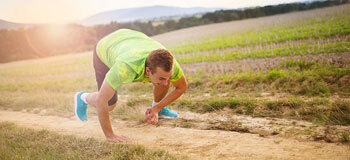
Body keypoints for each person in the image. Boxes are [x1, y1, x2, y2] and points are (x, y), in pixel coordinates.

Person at [74, 29, 188, 143]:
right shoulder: (125, 68)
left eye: (169, 77)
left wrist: (156, 108)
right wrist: (110, 135)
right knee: (109, 105)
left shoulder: (170, 65)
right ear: (148, 71)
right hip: (106, 47)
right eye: (162, 78)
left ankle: (159, 108)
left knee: (163, 81)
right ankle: (82, 97)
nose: (166, 82)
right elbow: (101, 100)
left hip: (131, 39)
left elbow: (181, 87)